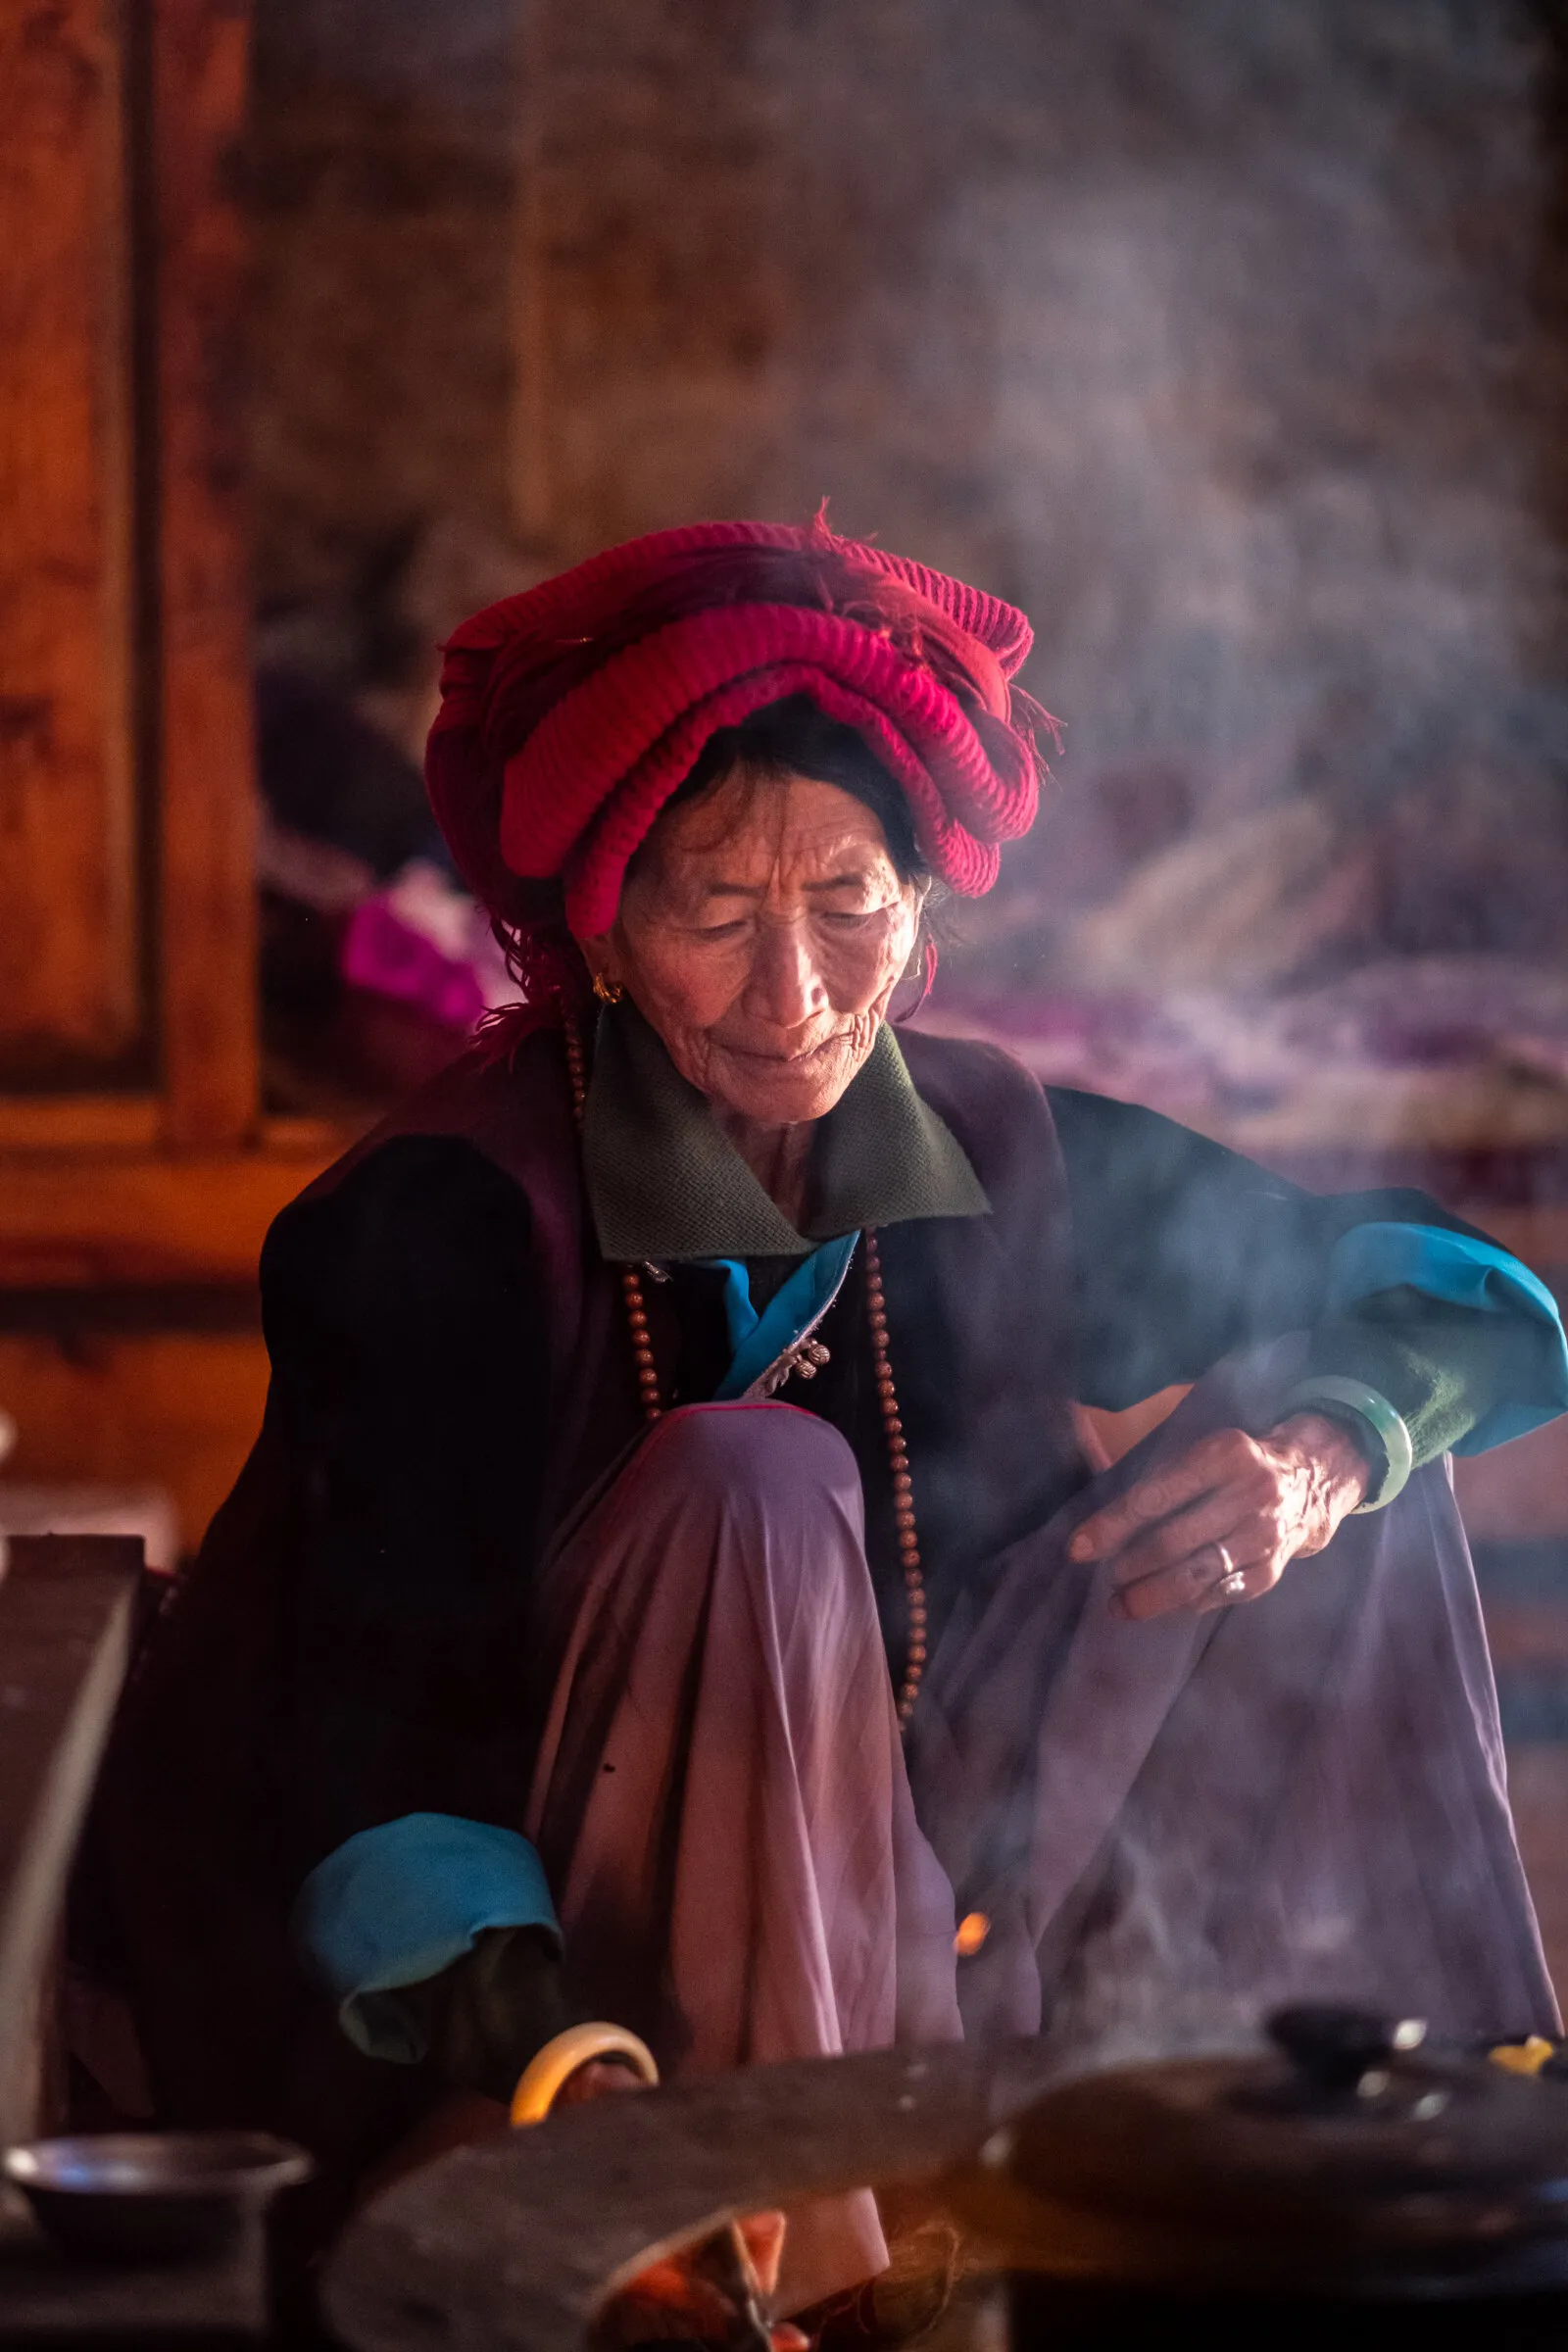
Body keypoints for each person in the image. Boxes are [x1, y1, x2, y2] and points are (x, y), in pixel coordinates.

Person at [94, 520, 1568, 2324]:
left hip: (944, 1883)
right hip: (569, 1951)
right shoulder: (446, 1227)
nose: (795, 995)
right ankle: (810, 2264)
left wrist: (1328, 1456)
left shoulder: (990, 1142)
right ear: (606, 940)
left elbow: (1459, 1294)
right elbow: (360, 1751)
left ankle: (1401, 2189)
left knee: (1342, 1453)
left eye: (849, 903)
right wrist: (559, 2063)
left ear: (923, 913)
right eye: (716, 914)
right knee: (753, 1483)